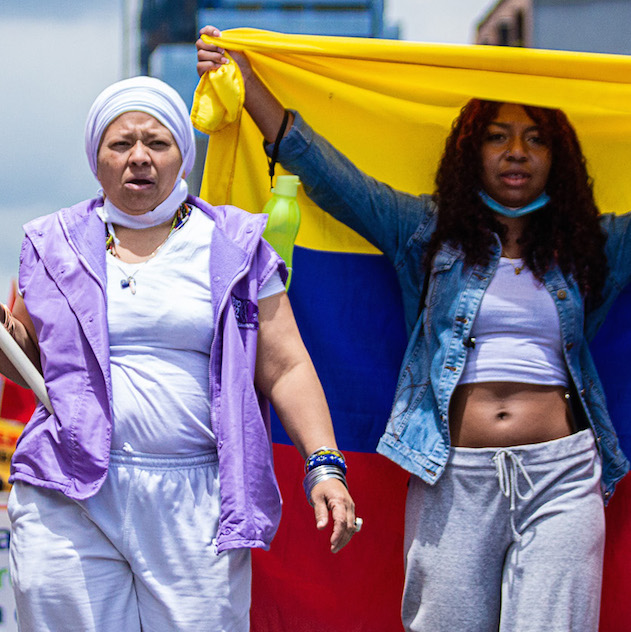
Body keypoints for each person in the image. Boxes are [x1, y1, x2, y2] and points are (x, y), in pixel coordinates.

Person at [196, 27, 631, 632]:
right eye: (498, 136)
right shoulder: (424, 232)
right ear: (471, 150)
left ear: (558, 157)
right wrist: (247, 79)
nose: (517, 151)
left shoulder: (596, 244)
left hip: (562, 477)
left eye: (536, 138)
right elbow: (326, 172)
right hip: (451, 475)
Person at [0, 75, 357, 632]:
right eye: (121, 143)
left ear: (183, 156)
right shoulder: (53, 242)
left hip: (196, 498)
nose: (139, 157)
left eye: (157, 143)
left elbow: (286, 366)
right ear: (96, 160)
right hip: (68, 490)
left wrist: (324, 466)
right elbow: (29, 360)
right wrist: (8, 335)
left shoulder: (235, 244)